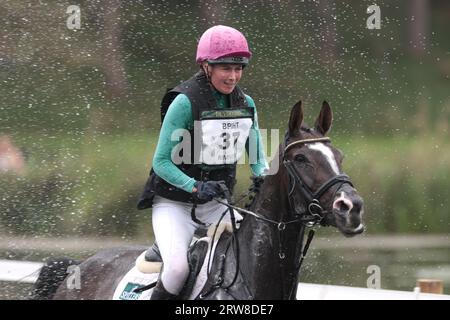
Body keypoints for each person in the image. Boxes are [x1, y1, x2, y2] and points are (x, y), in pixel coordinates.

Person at [137, 25, 268, 300]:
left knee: (254, 249)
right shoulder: (184, 102)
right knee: (176, 270)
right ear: (207, 66)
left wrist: (263, 179)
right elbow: (161, 162)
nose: (233, 77)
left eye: (238, 68)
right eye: (226, 69)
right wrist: (194, 186)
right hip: (174, 204)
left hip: (216, 205)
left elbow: (256, 157)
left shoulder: (246, 103)